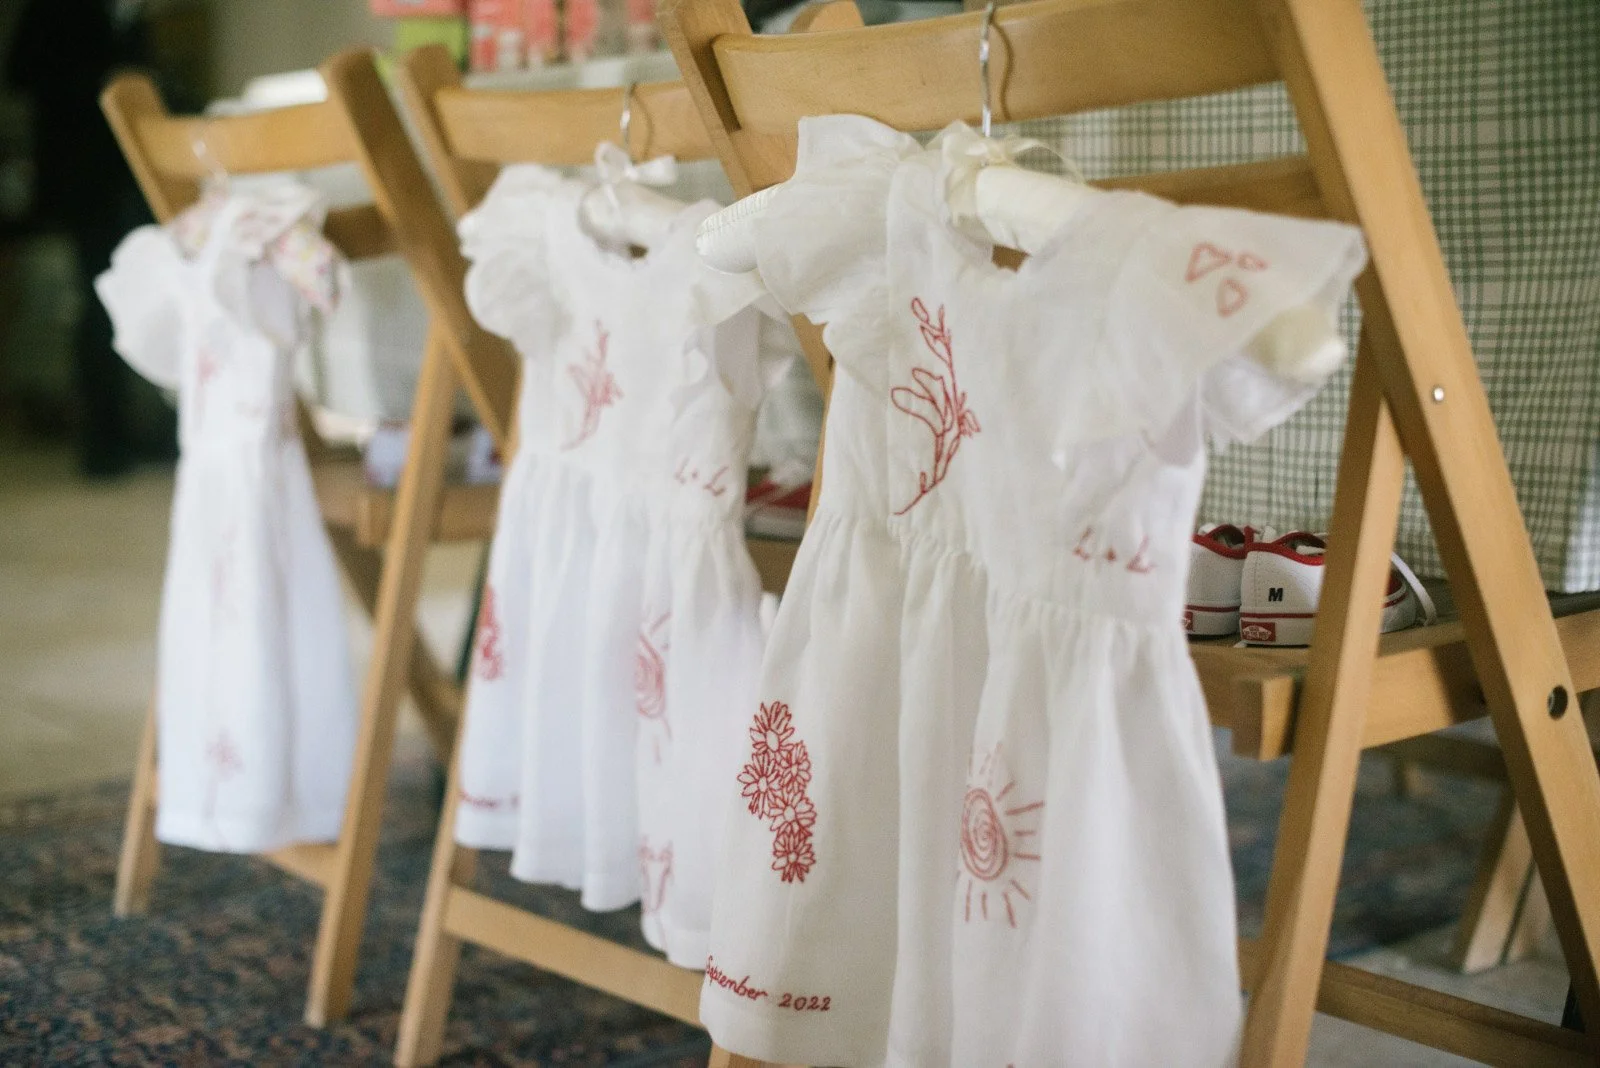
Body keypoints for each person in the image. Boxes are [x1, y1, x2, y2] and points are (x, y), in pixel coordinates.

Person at [8, 0, 171, 477]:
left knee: (148, 293)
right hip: (83, 176)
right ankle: (103, 440)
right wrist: (102, 80)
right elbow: (23, 72)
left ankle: (148, 430)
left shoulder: (131, 10)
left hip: (133, 169)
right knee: (98, 304)